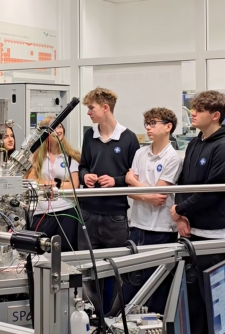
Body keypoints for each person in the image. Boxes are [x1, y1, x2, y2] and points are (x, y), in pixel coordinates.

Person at [169, 90, 225, 334]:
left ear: (215, 115)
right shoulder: (195, 143)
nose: (193, 113)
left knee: (216, 304)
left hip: (215, 237)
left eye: (199, 110)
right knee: (193, 304)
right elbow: (183, 183)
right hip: (191, 233)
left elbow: (214, 191)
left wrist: (180, 209)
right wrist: (181, 216)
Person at [77, 87, 140, 322]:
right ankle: (92, 319)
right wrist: (85, 176)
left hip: (115, 216)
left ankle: (114, 319)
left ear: (105, 108)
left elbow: (135, 175)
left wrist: (116, 181)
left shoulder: (128, 138)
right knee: (87, 269)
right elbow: (83, 166)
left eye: (91, 108)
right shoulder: (89, 136)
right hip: (88, 213)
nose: (88, 113)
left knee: (117, 269)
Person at [120, 107, 182, 315]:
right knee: (131, 283)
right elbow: (133, 193)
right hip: (137, 226)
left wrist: (133, 181)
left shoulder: (173, 158)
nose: (148, 127)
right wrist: (146, 193)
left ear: (168, 127)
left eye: (153, 123)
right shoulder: (140, 153)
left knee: (157, 288)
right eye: (147, 123)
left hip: (161, 230)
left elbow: (159, 196)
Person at [25, 117, 80, 252]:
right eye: (54, 128)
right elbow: (31, 180)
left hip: (67, 211)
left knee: (65, 252)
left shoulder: (71, 157)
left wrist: (50, 184)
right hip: (41, 213)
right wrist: (59, 183)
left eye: (60, 127)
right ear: (45, 133)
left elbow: (74, 186)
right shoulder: (35, 156)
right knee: (38, 252)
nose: (58, 131)